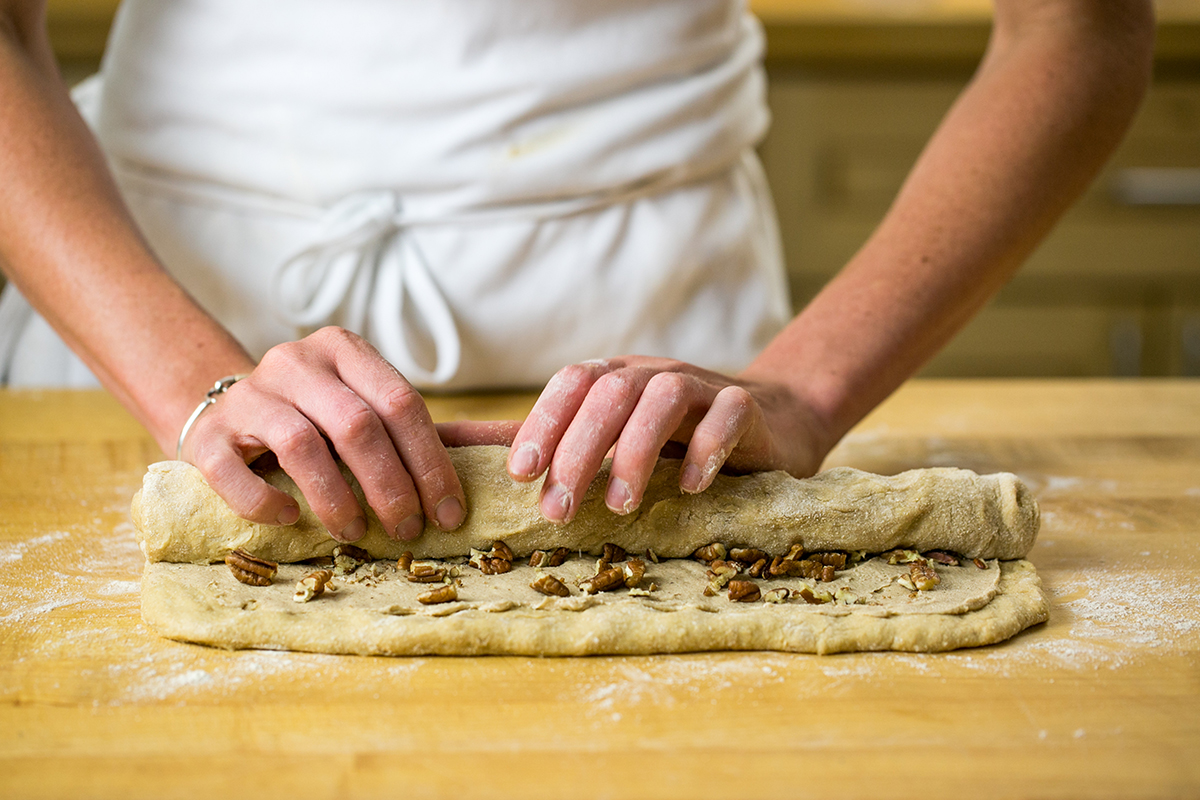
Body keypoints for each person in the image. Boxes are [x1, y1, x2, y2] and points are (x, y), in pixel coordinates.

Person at [0, 0, 1154, 544]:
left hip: (673, 387)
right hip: (152, 340)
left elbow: (1077, 26)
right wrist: (193, 385)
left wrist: (801, 391)